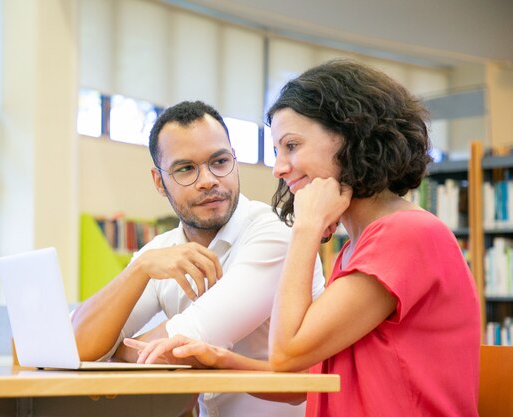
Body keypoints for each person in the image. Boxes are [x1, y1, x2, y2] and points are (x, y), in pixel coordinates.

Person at [127, 60, 481, 416]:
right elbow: (304, 380)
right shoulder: (360, 247)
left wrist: (306, 227)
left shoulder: (406, 235)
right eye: (278, 151)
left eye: (291, 146)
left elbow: (285, 353)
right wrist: (217, 360)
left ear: (351, 135)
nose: (279, 168)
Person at [72, 100, 326, 417]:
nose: (207, 180)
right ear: (158, 182)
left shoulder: (274, 234)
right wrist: (138, 270)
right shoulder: (159, 253)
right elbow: (76, 347)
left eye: (219, 162)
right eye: (186, 169)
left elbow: (180, 347)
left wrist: (113, 349)